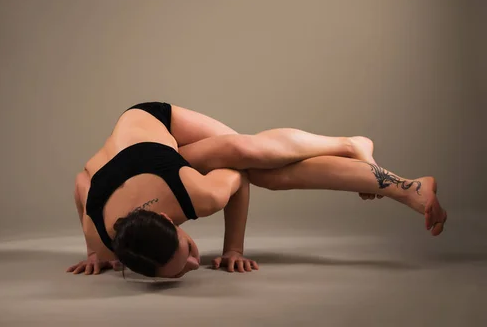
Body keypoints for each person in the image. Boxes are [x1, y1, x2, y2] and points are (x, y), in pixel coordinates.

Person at [67, 102, 447, 278]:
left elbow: (238, 173)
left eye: (185, 254)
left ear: (170, 220)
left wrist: (233, 248)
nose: (194, 263)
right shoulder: (98, 232)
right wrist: (94, 254)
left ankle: (349, 144)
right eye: (183, 270)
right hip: (149, 160)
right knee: (270, 173)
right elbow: (83, 182)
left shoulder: (198, 194)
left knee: (253, 159)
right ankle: (409, 188)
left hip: (150, 122)